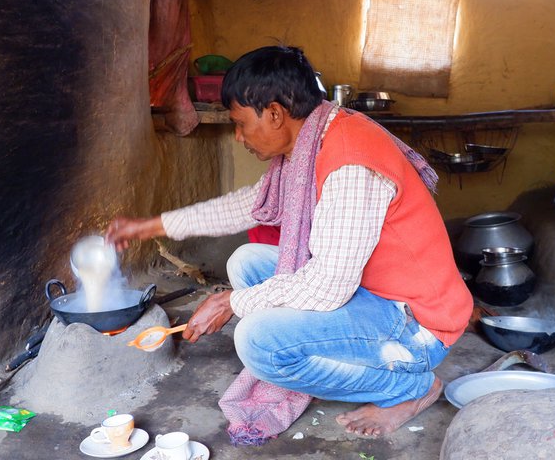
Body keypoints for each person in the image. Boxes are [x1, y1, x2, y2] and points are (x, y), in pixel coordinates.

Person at [106, 45, 473, 437]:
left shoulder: (351, 161)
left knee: (257, 342)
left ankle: (410, 388)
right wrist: (152, 226)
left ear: (276, 113)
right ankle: (325, 357)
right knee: (247, 261)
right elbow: (251, 205)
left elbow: (328, 286)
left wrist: (234, 302)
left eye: (241, 123)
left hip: (416, 324)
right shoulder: (318, 135)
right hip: (375, 294)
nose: (238, 136)